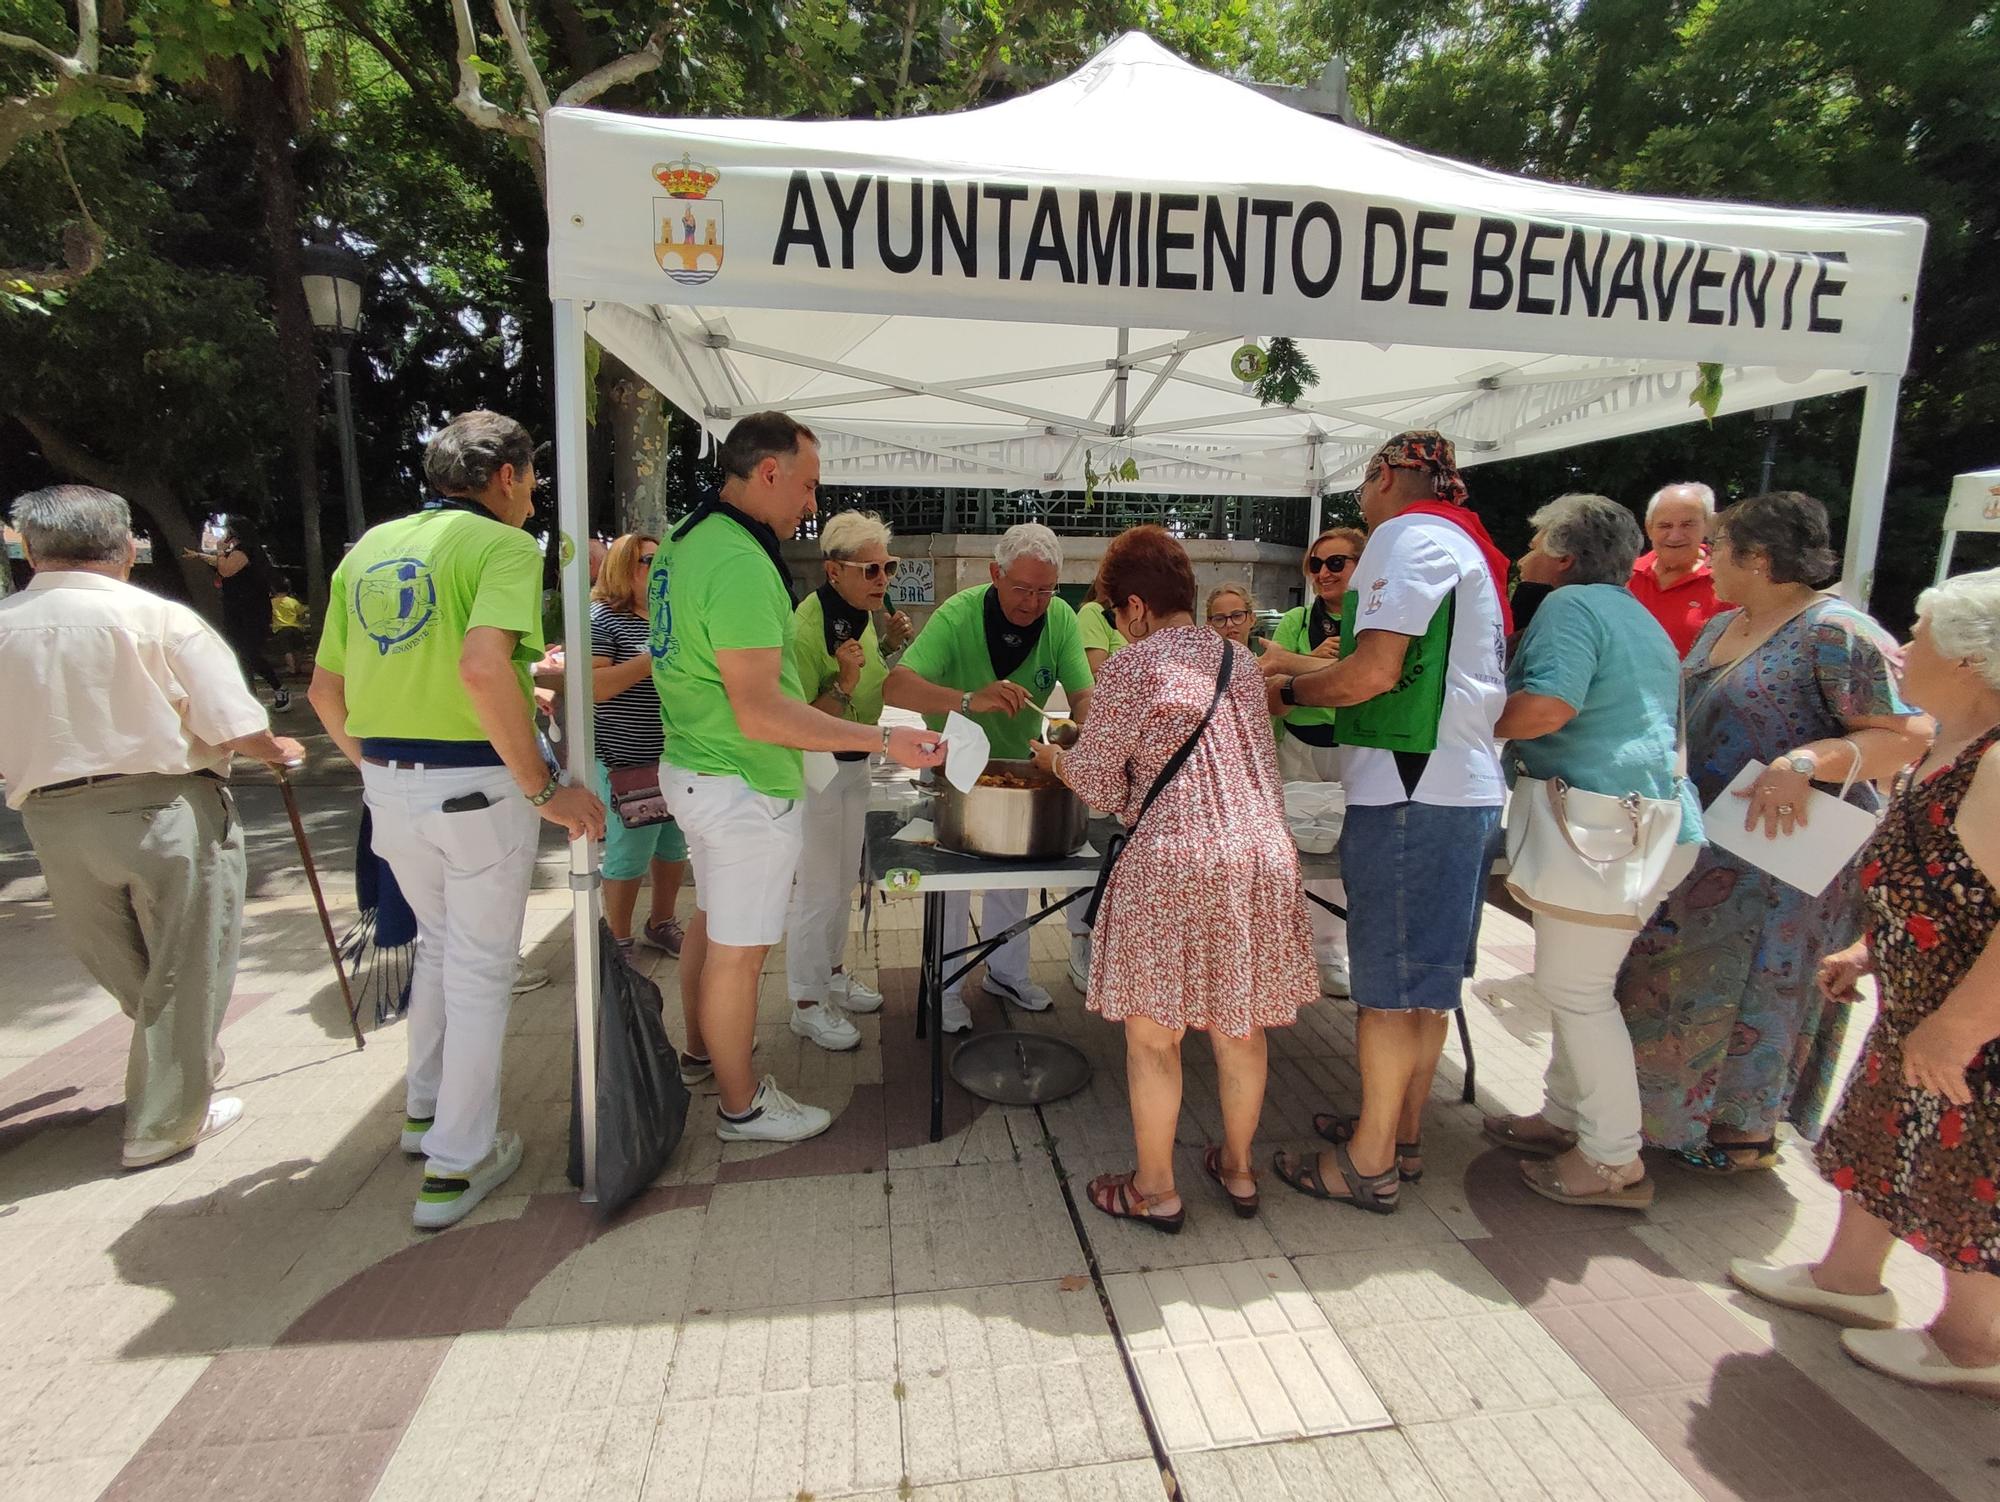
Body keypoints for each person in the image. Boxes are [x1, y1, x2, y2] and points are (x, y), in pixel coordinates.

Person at [309, 410, 607, 1230]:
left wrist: (378, 768)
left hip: (390, 784)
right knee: (478, 966)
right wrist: (544, 788)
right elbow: (484, 668)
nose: (534, 497)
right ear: (507, 477)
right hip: (474, 782)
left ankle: (426, 1112)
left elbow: (324, 693)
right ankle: (457, 1160)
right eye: (532, 481)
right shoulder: (506, 547)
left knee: (443, 949)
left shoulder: (368, 548)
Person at [1731, 568, 2000, 1394]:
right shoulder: (1946, 743)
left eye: (1919, 634)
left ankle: (1972, 1344)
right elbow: (1945, 882)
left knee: (1970, 1176)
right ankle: (1849, 1280)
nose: (1905, 645)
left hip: (1969, 1030)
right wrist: (1869, 952)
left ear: (1965, 660)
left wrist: (1959, 1025)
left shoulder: (1996, 763)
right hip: (1919, 1005)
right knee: (1881, 1140)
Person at [1615, 491, 1931, 1173]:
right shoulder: (1721, 627)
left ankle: (1741, 1133)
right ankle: (1662, 1119)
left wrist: (1809, 760)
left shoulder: (1838, 630)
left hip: (1781, 858)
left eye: (1719, 546)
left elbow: (1905, 735)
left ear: (1758, 559)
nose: (1707, 558)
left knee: (1763, 990)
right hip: (1704, 841)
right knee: (1669, 980)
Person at [651, 412, 943, 1142]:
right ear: (771, 471)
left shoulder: (684, 541)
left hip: (695, 765)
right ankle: (741, 1105)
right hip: (741, 778)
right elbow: (759, 710)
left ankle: (700, 1053)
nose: (811, 504)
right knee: (742, 956)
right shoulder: (741, 561)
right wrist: (882, 738)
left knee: (716, 927)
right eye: (808, 485)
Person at [0, 486, 304, 1169]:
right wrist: (279, 751)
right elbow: (233, 723)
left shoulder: (5, 623)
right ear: (122, 547)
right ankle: (165, 1119)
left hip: (50, 816)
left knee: (123, 960)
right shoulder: (158, 619)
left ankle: (182, 1067)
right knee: (186, 963)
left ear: (31, 547)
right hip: (163, 808)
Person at [1031, 527, 1316, 1230]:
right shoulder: (1242, 663)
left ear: (1132, 606)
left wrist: (1052, 761)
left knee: (1154, 1038)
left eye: (1115, 613)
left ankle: (1155, 1189)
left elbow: (1097, 781)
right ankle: (1240, 1170)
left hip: (1175, 859)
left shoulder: (1133, 666)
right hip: (1260, 856)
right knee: (1240, 1026)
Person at [1270, 431, 1510, 1213]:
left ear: (1385, 477)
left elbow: (1372, 674)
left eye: (1365, 480)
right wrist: (1295, 666)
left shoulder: (1407, 539)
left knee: (1384, 993)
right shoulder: (1464, 545)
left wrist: (1286, 694)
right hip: (1458, 790)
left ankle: (1366, 1163)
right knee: (1423, 990)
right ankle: (1397, 1132)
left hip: (1412, 797)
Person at [1471, 495, 1704, 1209]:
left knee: (1577, 993)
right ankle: (1563, 1117)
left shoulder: (1571, 609)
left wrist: (1462, 726)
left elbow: (1548, 707)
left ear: (1564, 557)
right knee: (1579, 988)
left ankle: (1612, 1161)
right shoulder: (1633, 612)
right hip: (1645, 828)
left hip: (1604, 833)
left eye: (1537, 542)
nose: (1526, 555)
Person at [885, 523, 1093, 1033]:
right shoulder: (958, 615)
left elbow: (1083, 693)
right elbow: (897, 686)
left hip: (1025, 773)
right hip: (957, 772)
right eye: (1022, 588)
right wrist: (967, 699)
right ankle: (948, 986)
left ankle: (1006, 973)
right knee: (955, 883)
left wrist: (1086, 728)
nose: (1033, 603)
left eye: (1045, 590)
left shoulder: (1060, 618)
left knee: (1015, 876)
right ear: (994, 574)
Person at [783, 510, 916, 1052]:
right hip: (816, 767)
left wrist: (886, 647)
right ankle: (805, 1002)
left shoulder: (859, 615)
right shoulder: (805, 626)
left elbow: (868, 683)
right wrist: (844, 679)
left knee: (843, 881)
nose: (883, 579)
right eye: (872, 570)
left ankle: (832, 972)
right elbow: (796, 714)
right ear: (834, 570)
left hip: (854, 761)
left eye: (889, 566)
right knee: (816, 890)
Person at [1250, 528, 1367, 999]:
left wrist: (1296, 663)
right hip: (1297, 744)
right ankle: (1288, 949)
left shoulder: (1376, 619)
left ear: (1362, 564)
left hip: (1356, 751)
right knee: (1291, 854)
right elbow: (1272, 693)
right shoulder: (1297, 618)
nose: (1323, 573)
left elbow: (1369, 679)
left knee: (1342, 857)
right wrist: (1312, 665)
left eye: (1335, 563)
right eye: (1315, 564)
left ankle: (1329, 951)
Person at [586, 533, 688, 957]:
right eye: (650, 560)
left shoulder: (671, 617)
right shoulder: (602, 619)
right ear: (623, 566)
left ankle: (661, 922)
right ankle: (618, 938)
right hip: (624, 760)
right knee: (630, 852)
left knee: (671, 846)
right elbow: (594, 686)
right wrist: (654, 658)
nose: (661, 568)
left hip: (674, 756)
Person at [1065, 575, 1127, 992]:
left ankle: (1107, 944)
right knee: (1090, 848)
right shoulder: (1092, 614)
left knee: (1115, 849)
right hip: (1103, 742)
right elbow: (1095, 674)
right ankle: (1081, 942)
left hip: (1129, 747)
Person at [186, 517, 289, 709]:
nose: (225, 534)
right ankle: (248, 696)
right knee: (236, 651)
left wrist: (218, 548)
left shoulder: (245, 550)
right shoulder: (235, 552)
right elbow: (221, 562)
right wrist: (200, 556)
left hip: (252, 609)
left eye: (228, 530)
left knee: (249, 652)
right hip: (236, 608)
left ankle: (278, 687)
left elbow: (225, 569)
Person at [1628, 482, 1727, 658]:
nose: (1675, 536)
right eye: (1665, 526)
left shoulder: (1727, 583)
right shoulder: (1623, 577)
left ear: (1708, 525)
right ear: (1649, 528)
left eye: (1687, 525)